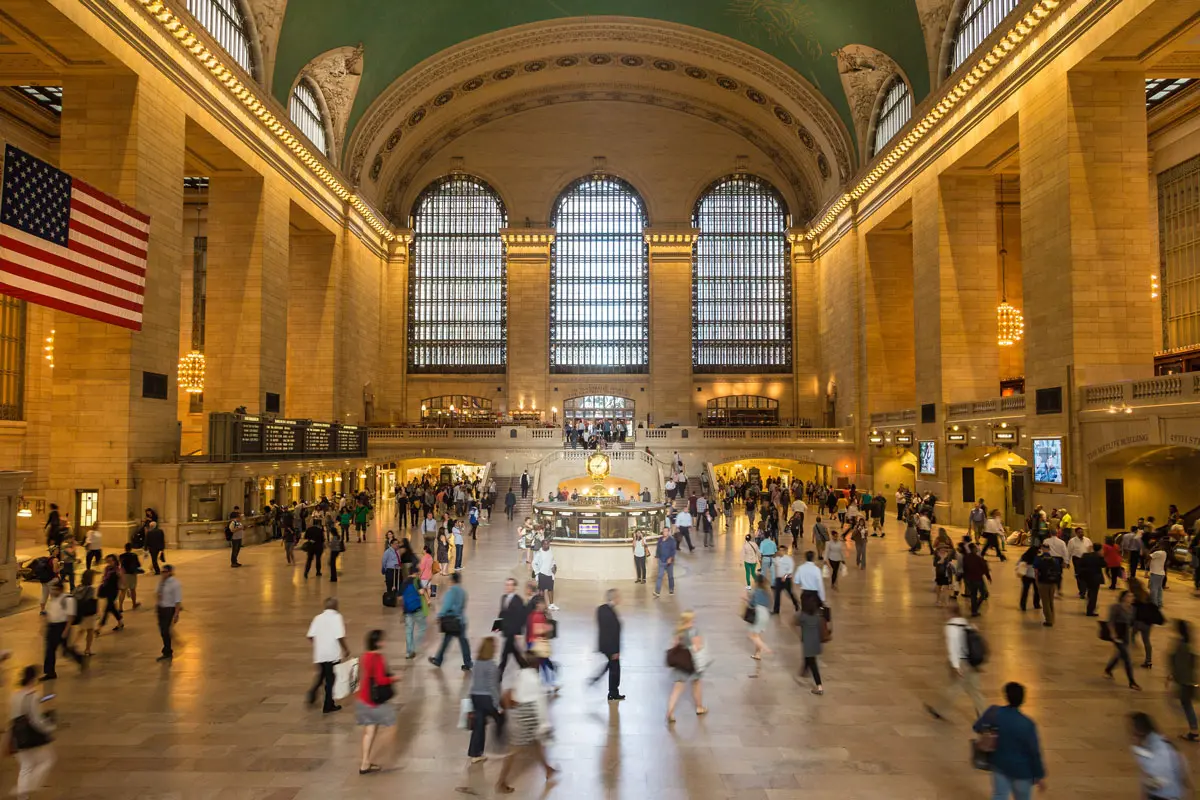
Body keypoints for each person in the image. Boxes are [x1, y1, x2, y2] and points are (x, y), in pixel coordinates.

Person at [494, 658, 557, 794]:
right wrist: (545, 724)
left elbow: (512, 691)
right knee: (514, 751)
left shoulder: (521, 674)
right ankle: (500, 782)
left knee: (534, 744)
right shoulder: (534, 679)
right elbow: (540, 704)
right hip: (527, 719)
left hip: (519, 715)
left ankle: (547, 769)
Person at [973, 682, 1046, 799]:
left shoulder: (993, 712)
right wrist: (1039, 775)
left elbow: (977, 727)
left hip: (999, 765)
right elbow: (1034, 752)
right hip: (1022, 771)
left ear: (1006, 696)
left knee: (999, 795)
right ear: (1022, 700)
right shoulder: (1027, 724)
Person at [925, 602, 985, 721]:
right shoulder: (965, 622)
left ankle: (939, 710)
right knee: (974, 690)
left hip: (962, 662)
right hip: (972, 661)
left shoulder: (950, 627)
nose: (944, 614)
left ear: (950, 613)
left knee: (955, 688)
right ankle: (984, 716)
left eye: (945, 612)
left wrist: (955, 666)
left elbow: (953, 648)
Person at [9, 664, 56, 800]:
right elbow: (37, 720)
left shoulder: (15, 695)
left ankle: (22, 794)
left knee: (25, 766)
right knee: (48, 760)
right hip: (31, 736)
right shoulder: (33, 696)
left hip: (18, 735)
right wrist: (49, 728)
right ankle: (29, 787)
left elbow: (13, 717)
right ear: (33, 678)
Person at [356, 629, 396, 775]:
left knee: (369, 731)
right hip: (375, 701)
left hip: (363, 698)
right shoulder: (378, 658)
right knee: (392, 727)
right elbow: (381, 680)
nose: (384, 642)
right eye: (382, 640)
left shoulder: (364, 657)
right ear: (378, 643)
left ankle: (365, 762)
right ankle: (384, 755)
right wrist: (394, 678)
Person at [1130, 712, 1193, 800]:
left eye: (1133, 732)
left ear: (1140, 732)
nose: (1132, 736)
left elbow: (1154, 781)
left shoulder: (1150, 752)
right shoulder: (1163, 743)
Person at [306, 597, 350, 713]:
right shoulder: (337, 617)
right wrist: (345, 649)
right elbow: (339, 636)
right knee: (330, 679)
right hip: (332, 654)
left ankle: (313, 692)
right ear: (335, 606)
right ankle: (328, 704)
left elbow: (310, 636)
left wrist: (319, 644)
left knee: (322, 675)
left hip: (320, 654)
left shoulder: (317, 618)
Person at [666, 610, 708, 723]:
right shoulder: (694, 631)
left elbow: (674, 646)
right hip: (692, 663)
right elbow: (697, 647)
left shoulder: (678, 631)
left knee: (677, 689)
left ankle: (670, 712)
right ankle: (699, 707)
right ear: (690, 620)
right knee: (696, 684)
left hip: (681, 663)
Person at [468, 637, 503, 763]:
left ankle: (475, 753)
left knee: (479, 726)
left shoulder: (476, 663)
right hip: (487, 698)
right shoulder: (492, 666)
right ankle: (501, 745)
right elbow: (493, 687)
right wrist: (498, 705)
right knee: (500, 719)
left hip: (475, 697)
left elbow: (474, 681)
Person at [41, 580, 84, 680]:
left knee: (66, 650)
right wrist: (44, 625)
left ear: (60, 590)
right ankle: (50, 672)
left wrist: (66, 630)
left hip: (62, 626)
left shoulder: (68, 599)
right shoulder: (53, 599)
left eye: (54, 590)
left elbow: (71, 616)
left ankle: (79, 659)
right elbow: (50, 613)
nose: (52, 592)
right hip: (52, 626)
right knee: (49, 649)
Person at [430, 572, 472, 670]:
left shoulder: (451, 591)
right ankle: (468, 662)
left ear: (452, 581)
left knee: (446, 641)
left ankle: (438, 660)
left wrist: (440, 616)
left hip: (451, 621)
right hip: (461, 620)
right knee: (463, 642)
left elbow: (446, 605)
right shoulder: (463, 592)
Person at [1168, 619, 1199, 742]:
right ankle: (1194, 730)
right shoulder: (1187, 643)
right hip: (1189, 679)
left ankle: (1194, 731)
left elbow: (1180, 665)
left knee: (1186, 705)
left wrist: (1174, 677)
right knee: (1186, 704)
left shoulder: (1181, 645)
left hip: (1186, 681)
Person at [1105, 590, 1142, 691]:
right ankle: (1132, 682)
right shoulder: (1116, 607)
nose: (1132, 598)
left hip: (1125, 634)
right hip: (1117, 634)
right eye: (1129, 596)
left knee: (1120, 654)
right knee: (1127, 658)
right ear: (1124, 597)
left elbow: (1131, 623)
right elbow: (1110, 621)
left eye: (1132, 596)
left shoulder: (1132, 609)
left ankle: (1108, 669)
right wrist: (1113, 634)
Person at [590, 588, 623, 701]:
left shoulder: (601, 609)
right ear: (614, 598)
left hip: (604, 645)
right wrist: (615, 651)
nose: (620, 599)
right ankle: (613, 693)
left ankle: (609, 689)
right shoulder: (611, 614)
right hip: (611, 647)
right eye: (618, 596)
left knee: (611, 666)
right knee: (615, 670)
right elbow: (612, 633)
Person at [497, 578, 528, 678]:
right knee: (515, 652)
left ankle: (499, 673)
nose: (508, 587)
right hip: (506, 630)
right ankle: (525, 667)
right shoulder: (503, 598)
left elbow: (521, 617)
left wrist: (518, 633)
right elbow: (501, 613)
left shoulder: (518, 600)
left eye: (510, 585)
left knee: (505, 653)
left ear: (514, 587)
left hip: (513, 631)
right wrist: (497, 627)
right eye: (506, 585)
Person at [796, 591, 826, 695]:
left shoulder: (803, 616)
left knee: (813, 664)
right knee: (809, 659)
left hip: (808, 643)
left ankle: (819, 686)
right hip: (816, 642)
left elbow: (795, 621)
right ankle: (804, 670)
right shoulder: (817, 614)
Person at [155, 564, 182, 663]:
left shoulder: (175, 584)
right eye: (162, 572)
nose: (163, 574)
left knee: (165, 630)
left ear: (170, 572)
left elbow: (178, 600)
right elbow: (157, 593)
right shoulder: (161, 582)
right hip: (161, 607)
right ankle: (167, 649)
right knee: (162, 630)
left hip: (169, 609)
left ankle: (167, 651)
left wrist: (176, 614)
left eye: (165, 572)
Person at [401, 567, 429, 659]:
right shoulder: (416, 581)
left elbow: (400, 597)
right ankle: (414, 647)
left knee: (409, 631)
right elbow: (421, 592)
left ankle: (408, 652)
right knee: (422, 627)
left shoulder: (404, 582)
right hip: (417, 609)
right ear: (415, 573)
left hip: (407, 610)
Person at [1032, 542, 1061, 626]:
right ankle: (1052, 618)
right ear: (1049, 549)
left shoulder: (1038, 558)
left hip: (1043, 582)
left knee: (1045, 602)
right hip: (1052, 582)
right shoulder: (1055, 560)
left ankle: (1048, 620)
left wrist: (1037, 581)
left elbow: (1036, 571)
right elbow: (1058, 571)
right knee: (1051, 601)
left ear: (1042, 548)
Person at [746, 573, 772, 660]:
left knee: (752, 636)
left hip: (759, 613)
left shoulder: (756, 591)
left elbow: (752, 604)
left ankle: (765, 648)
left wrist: (745, 598)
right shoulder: (767, 592)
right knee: (758, 635)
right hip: (766, 614)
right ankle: (757, 654)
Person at [961, 543, 991, 617]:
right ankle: (975, 607)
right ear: (974, 549)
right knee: (983, 594)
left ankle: (974, 610)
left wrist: (964, 576)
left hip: (969, 578)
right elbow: (984, 568)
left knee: (973, 595)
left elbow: (964, 567)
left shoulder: (966, 557)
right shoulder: (978, 558)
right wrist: (988, 577)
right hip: (978, 579)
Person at [97, 554, 124, 632]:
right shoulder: (107, 568)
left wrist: (126, 590)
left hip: (114, 591)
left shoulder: (118, 570)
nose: (109, 563)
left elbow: (122, 580)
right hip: (107, 590)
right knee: (112, 608)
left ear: (115, 561)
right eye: (107, 561)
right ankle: (120, 622)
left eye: (110, 561)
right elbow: (104, 578)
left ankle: (99, 627)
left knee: (107, 608)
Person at [1079, 543, 1106, 616]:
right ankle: (1090, 611)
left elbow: (1080, 564)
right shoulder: (1098, 557)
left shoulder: (1085, 555)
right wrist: (1102, 557)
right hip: (1095, 578)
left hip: (1086, 577)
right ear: (1099, 550)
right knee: (1093, 594)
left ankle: (1089, 606)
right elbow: (1104, 564)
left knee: (1090, 593)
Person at [532, 539, 558, 610]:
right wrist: (537, 573)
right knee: (541, 591)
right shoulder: (539, 553)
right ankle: (542, 605)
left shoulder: (550, 551)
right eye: (545, 544)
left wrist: (554, 565)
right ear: (542, 545)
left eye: (548, 544)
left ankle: (551, 605)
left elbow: (552, 560)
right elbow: (534, 563)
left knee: (550, 589)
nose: (547, 545)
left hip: (550, 573)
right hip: (542, 574)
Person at [772, 545, 799, 614]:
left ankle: (796, 604)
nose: (781, 552)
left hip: (787, 579)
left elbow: (791, 569)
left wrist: (785, 576)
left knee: (790, 593)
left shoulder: (789, 559)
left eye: (782, 550)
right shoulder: (777, 558)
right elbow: (773, 560)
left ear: (785, 551)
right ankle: (776, 610)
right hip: (779, 579)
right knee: (777, 594)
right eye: (780, 550)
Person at [117, 542, 142, 612]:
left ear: (125, 548)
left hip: (124, 574)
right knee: (133, 590)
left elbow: (120, 565)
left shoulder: (121, 556)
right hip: (132, 574)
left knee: (123, 591)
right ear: (131, 548)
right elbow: (138, 564)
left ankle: (120, 607)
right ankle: (134, 604)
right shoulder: (134, 555)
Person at [654, 525, 677, 598]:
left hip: (669, 562)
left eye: (666, 531)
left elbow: (673, 550)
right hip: (661, 560)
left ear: (668, 532)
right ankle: (657, 591)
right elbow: (658, 549)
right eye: (664, 531)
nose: (665, 532)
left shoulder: (671, 540)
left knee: (670, 576)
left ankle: (671, 589)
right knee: (659, 576)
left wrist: (671, 558)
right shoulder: (660, 540)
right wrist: (656, 557)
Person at [1148, 541, 1168, 608]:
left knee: (1154, 589)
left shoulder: (1158, 553)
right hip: (1161, 573)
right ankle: (1159, 602)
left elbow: (1148, 556)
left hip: (1155, 573)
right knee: (1159, 589)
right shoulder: (1164, 553)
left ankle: (1154, 604)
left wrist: (1153, 548)